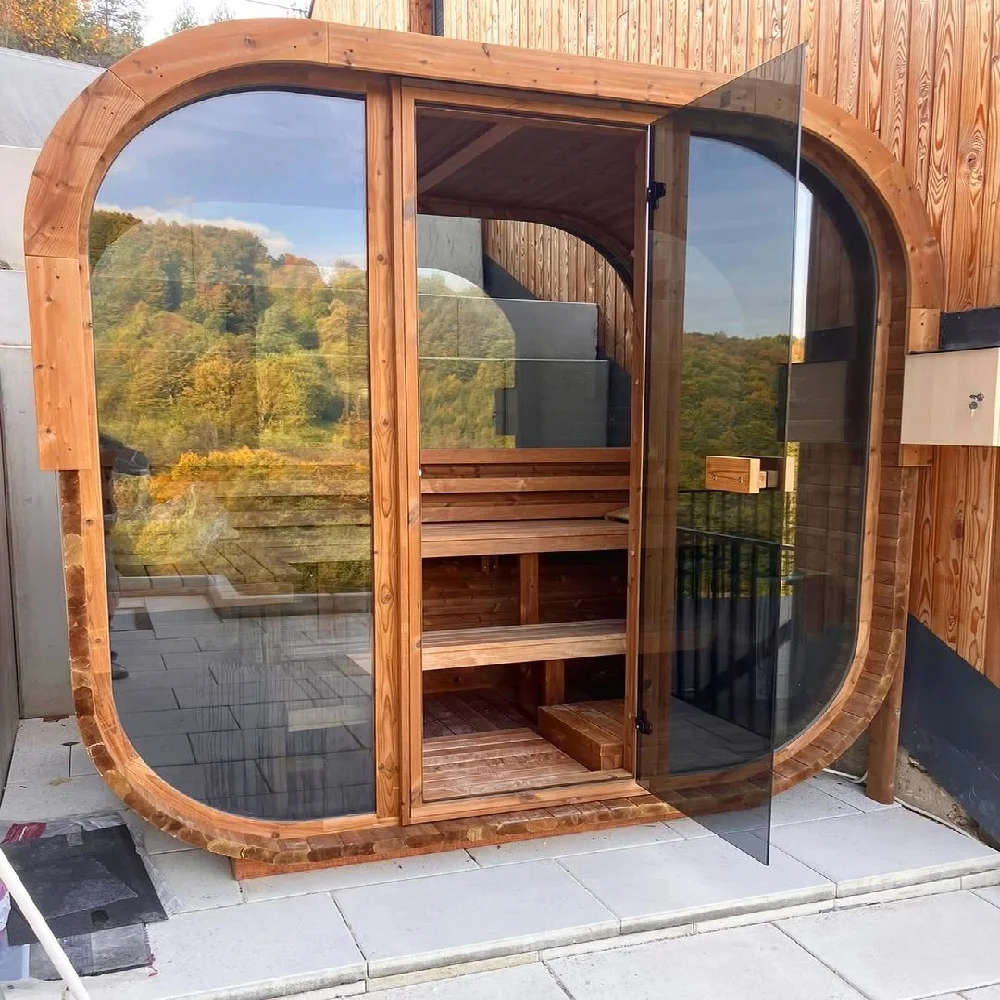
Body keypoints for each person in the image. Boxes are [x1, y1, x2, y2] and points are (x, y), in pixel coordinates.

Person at [98, 433, 150, 681]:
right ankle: (98, 659)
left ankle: (101, 655)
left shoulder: (100, 444)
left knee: (108, 591)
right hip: (85, 528)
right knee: (100, 593)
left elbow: (139, 463)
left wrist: (111, 448)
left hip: (101, 527)